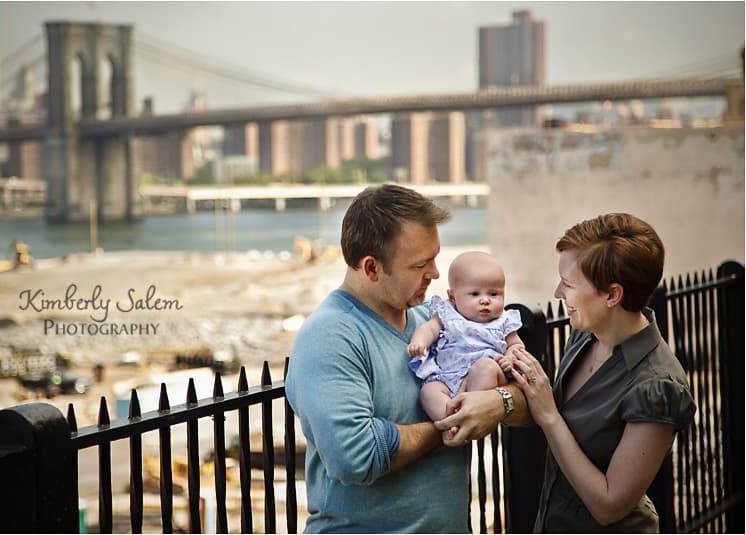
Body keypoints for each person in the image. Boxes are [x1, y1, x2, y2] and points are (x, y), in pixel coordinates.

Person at [435, 213, 696, 532]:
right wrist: (498, 401)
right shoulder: (586, 335)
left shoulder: (659, 385)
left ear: (612, 295)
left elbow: (609, 507)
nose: (558, 293)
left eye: (569, 284)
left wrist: (549, 415)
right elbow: (539, 406)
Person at [286, 184, 509, 533]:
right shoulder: (331, 336)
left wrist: (499, 402)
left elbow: (525, 387)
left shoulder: (430, 323)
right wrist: (450, 425)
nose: (435, 273)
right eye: (420, 264)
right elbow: (355, 457)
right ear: (372, 268)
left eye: (434, 257)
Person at [407, 251, 524, 427]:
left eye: (494, 294)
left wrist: (510, 357)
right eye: (475, 294)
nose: (485, 300)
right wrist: (419, 343)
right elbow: (429, 329)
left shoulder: (504, 320)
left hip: (484, 376)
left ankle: (473, 414)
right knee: (429, 391)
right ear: (453, 297)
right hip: (447, 376)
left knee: (484, 367)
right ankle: (450, 422)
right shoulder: (447, 313)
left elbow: (516, 345)